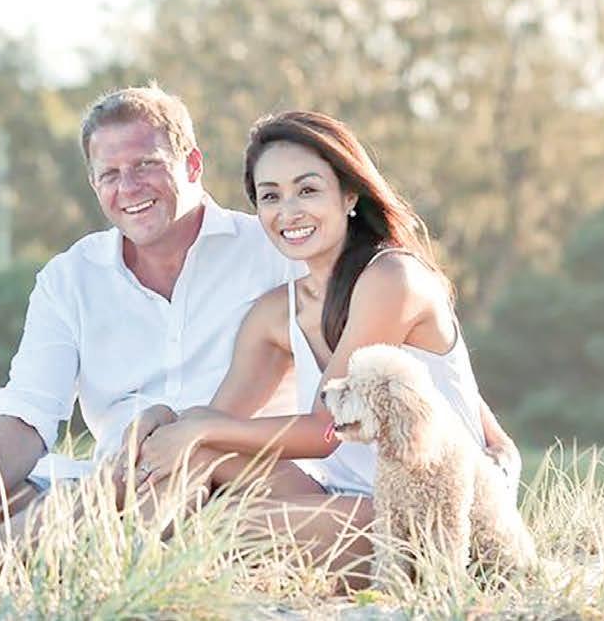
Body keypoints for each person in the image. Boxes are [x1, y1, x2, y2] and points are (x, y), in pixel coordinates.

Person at [130, 111, 521, 578]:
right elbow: (220, 424)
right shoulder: (275, 313)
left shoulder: (392, 278)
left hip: (424, 512)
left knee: (223, 525)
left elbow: (325, 431)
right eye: (270, 196)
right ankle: (115, 565)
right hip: (340, 496)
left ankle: (147, 567)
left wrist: (197, 428)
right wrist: (171, 421)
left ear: (349, 195)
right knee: (197, 460)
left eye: (308, 190)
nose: (289, 211)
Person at [0, 84, 302, 533]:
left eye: (146, 165)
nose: (128, 187)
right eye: (109, 174)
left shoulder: (273, 252)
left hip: (235, 476)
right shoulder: (70, 278)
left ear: (193, 164)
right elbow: (29, 407)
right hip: (113, 483)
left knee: (148, 472)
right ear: (94, 184)